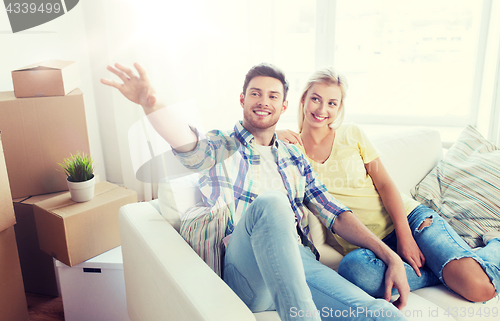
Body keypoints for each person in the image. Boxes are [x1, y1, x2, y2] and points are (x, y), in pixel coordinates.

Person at [102, 62, 412, 320]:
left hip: (300, 262)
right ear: (242, 99)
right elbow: (189, 146)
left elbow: (336, 214)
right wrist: (150, 103)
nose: (264, 101)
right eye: (256, 93)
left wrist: (390, 256)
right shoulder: (222, 146)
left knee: (383, 314)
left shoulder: (295, 157)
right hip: (246, 271)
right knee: (272, 203)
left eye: (272, 96)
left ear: (285, 106)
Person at [277, 67, 500, 304]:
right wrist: (273, 132)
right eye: (315, 99)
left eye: (332, 103)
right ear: (303, 100)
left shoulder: (351, 134)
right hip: (366, 250)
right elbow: (247, 143)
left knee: (479, 289)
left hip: (409, 221)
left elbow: (385, 184)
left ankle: (494, 243)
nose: (322, 110)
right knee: (354, 272)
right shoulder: (291, 151)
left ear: (339, 108)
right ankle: (443, 269)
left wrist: (405, 237)